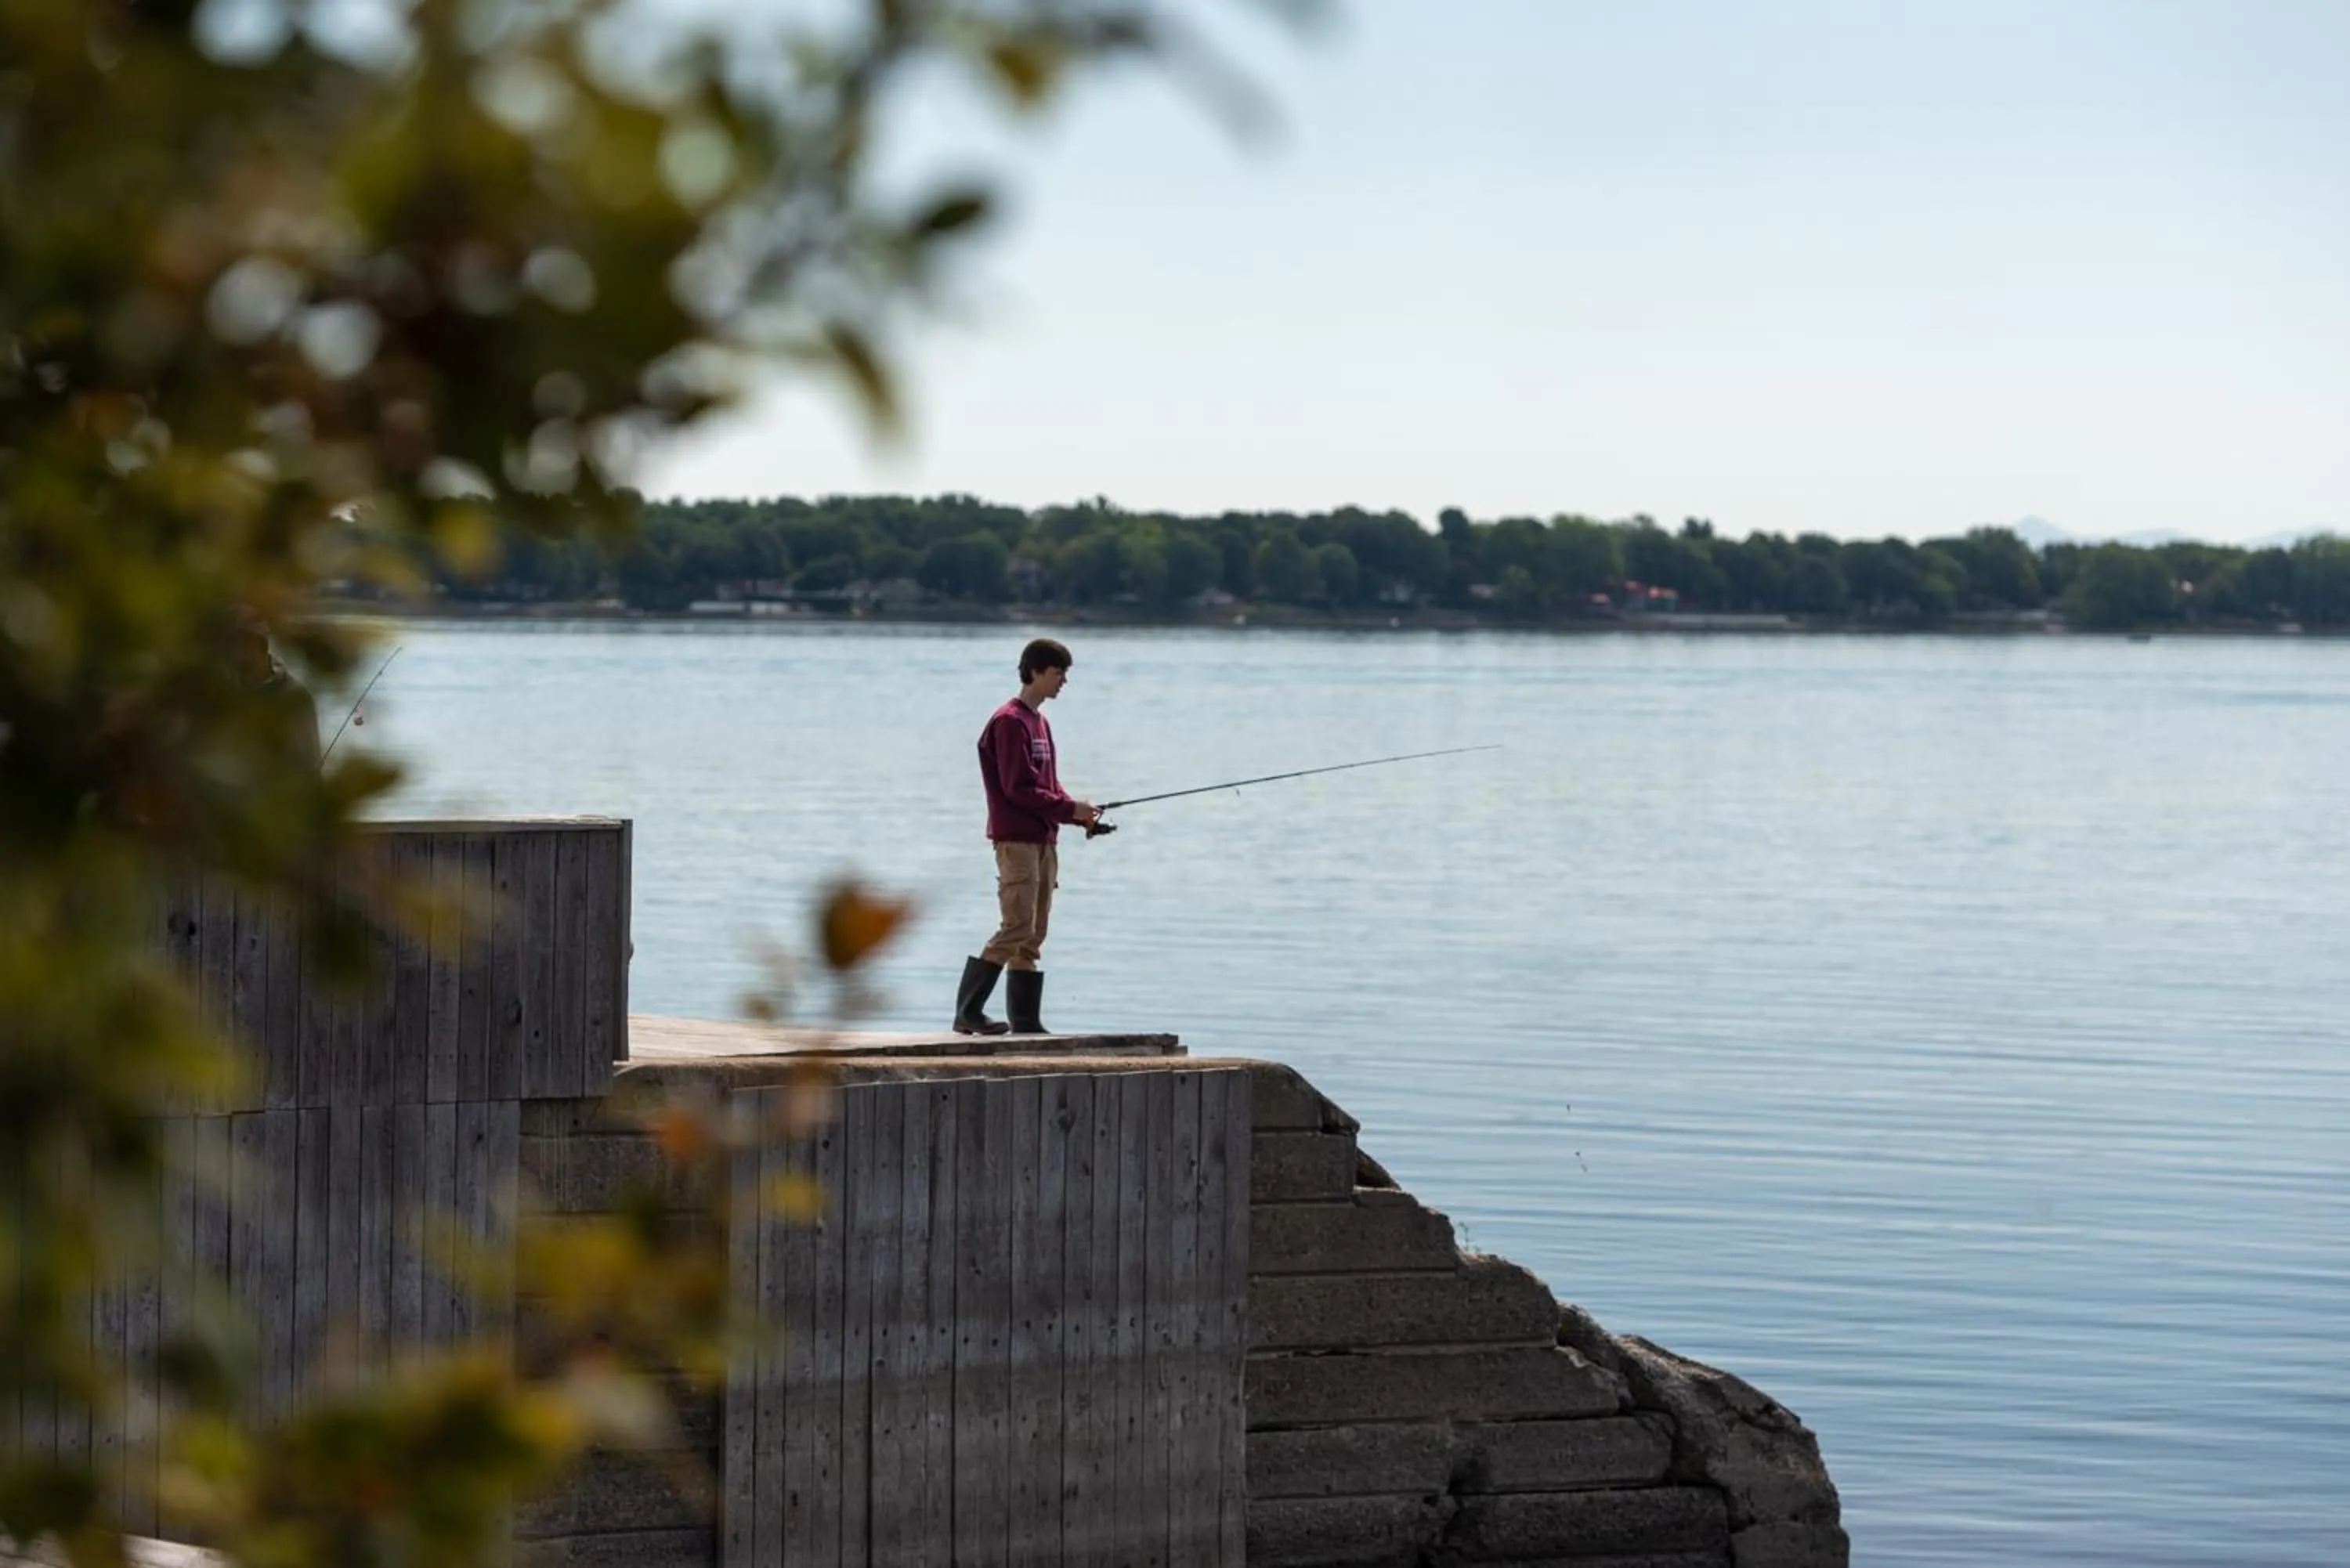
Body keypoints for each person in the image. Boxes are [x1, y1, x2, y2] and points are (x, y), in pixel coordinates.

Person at [954, 638, 1100, 1035]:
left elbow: (1046, 785)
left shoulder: (1040, 723)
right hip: (1015, 840)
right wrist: (1069, 809)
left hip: (1044, 840)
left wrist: (1078, 815)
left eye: (1065, 674)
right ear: (1035, 672)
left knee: (1033, 934)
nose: (1063, 682)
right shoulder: (1009, 722)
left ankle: (1025, 1021)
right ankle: (968, 1012)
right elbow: (1017, 788)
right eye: (1058, 673)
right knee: (1016, 925)